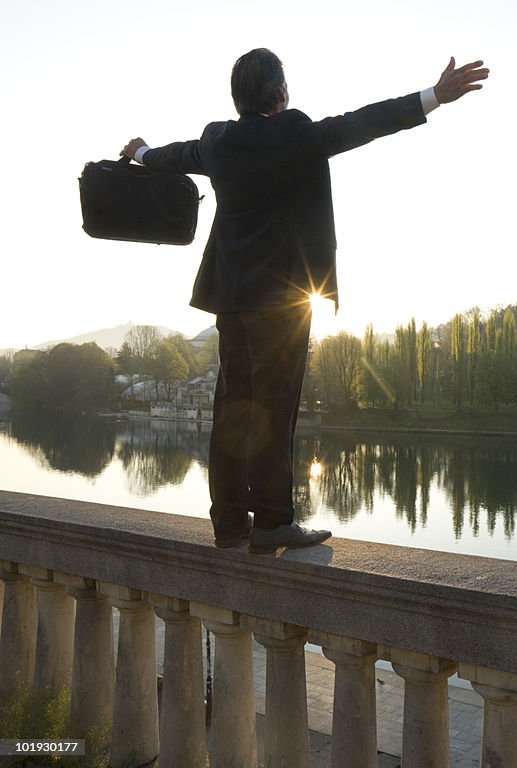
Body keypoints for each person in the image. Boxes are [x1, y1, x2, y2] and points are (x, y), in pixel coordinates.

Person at [121, 49, 488, 554]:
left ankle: (229, 524)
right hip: (283, 301)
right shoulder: (294, 133)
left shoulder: (217, 141)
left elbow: (171, 155)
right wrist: (434, 97)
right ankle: (272, 522)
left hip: (229, 298)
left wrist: (140, 152)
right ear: (279, 93)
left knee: (231, 407)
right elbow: (362, 124)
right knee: (275, 408)